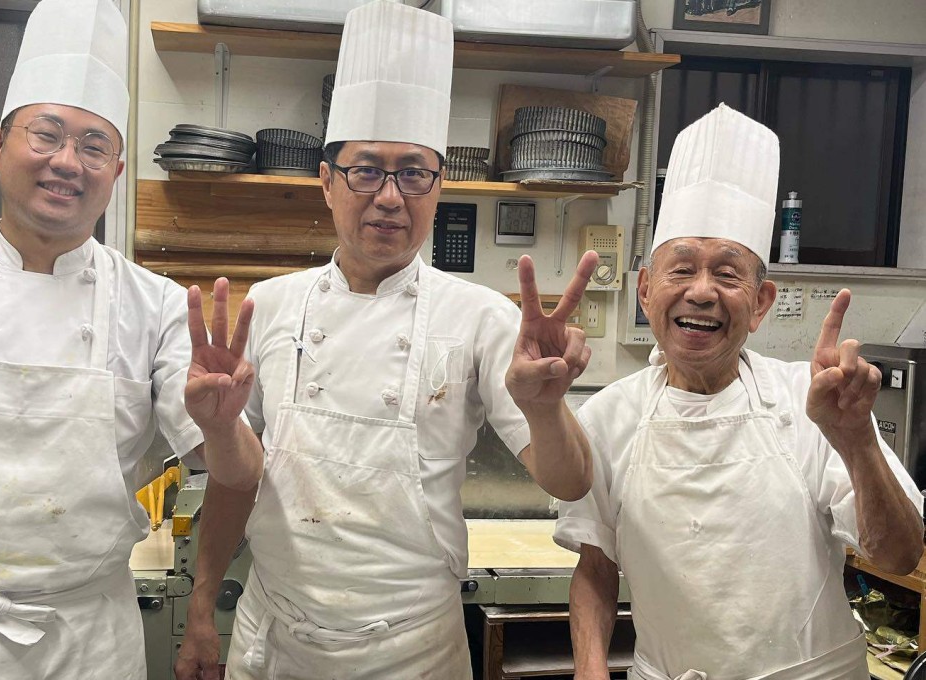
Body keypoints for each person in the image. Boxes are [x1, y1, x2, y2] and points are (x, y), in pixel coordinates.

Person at [174, 2, 596, 679]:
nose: (391, 197)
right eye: (366, 170)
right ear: (326, 182)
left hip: (412, 653)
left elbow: (570, 482)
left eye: (414, 172)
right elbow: (236, 481)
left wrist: (546, 409)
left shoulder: (480, 317)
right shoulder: (269, 308)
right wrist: (201, 601)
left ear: (438, 185)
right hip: (275, 641)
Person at [0, 1, 253, 677]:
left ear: (116, 173)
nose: (67, 162)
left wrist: (222, 427)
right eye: (47, 136)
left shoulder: (156, 307)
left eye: (94, 147)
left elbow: (237, 475)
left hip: (87, 641)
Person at [556, 103, 924, 680]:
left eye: (727, 274)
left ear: (760, 303)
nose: (702, 292)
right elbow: (596, 569)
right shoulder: (606, 418)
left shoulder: (813, 402)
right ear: (646, 291)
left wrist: (857, 443)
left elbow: (899, 555)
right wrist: (590, 670)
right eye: (681, 270)